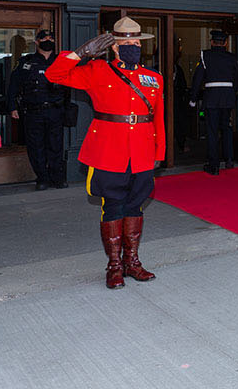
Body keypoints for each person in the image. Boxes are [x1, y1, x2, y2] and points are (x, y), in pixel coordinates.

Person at [46, 17, 164, 289]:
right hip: (108, 150)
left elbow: (157, 118)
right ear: (114, 47)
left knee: (135, 204)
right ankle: (114, 266)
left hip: (142, 151)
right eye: (125, 42)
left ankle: (132, 262)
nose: (132, 46)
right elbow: (54, 75)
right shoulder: (96, 71)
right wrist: (80, 53)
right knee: (112, 205)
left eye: (136, 42)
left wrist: (159, 151)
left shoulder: (153, 78)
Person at [6, 29, 71, 190]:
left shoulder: (61, 61)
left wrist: (67, 108)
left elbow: (70, 87)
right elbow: (13, 86)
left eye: (51, 38)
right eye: (44, 38)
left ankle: (57, 178)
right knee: (36, 146)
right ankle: (42, 178)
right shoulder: (26, 62)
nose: (48, 40)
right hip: (33, 112)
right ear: (37, 42)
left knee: (55, 145)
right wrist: (12, 107)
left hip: (55, 111)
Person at [190, 30, 238, 175]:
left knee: (212, 131)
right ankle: (229, 160)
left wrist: (193, 98)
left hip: (211, 98)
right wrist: (232, 93)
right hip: (227, 98)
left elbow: (198, 79)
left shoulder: (206, 55)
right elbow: (236, 79)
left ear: (212, 42)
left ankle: (214, 165)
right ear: (225, 43)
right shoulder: (232, 57)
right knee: (226, 129)